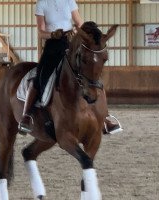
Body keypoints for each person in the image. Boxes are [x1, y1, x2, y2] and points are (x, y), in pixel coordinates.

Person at [18, 0, 123, 135]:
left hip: (71, 44)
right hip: (53, 46)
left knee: (90, 77)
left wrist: (79, 31)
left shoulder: (69, 1)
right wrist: (52, 34)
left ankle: (104, 118)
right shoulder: (42, 4)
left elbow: (80, 24)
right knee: (40, 77)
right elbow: (40, 32)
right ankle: (26, 116)